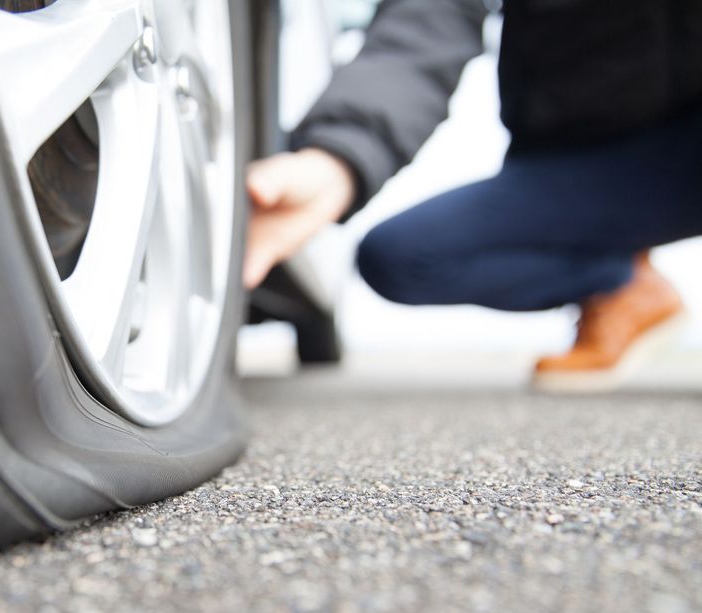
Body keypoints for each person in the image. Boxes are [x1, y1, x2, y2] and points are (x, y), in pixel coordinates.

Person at [245, 0, 702, 391]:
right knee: (399, 256)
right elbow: (429, 18)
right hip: (573, 161)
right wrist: (339, 157)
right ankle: (623, 287)